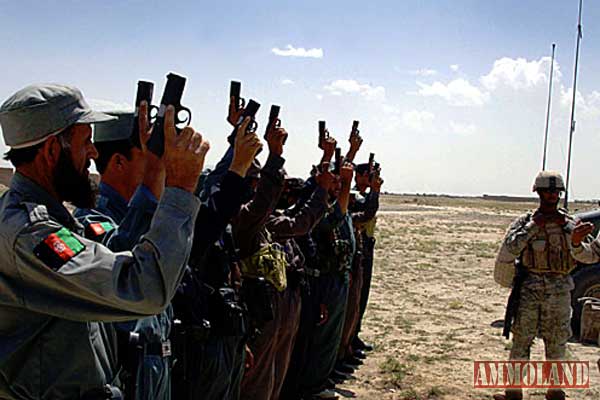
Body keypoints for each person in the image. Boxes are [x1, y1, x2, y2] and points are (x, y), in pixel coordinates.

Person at [0, 84, 207, 400]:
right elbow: (142, 287)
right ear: (52, 150)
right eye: (86, 142)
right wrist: (180, 190)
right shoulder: (30, 233)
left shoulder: (48, 220)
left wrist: (154, 165)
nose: (94, 153)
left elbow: (116, 252)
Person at [74, 110, 172, 400]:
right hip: (128, 374)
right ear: (118, 162)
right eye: (150, 157)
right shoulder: (92, 218)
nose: (159, 165)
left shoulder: (145, 213)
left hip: (156, 366)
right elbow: (121, 261)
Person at [494, 170, 597, 400]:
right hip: (529, 289)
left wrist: (577, 243)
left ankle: (554, 390)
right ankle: (513, 391)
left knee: (557, 342)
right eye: (547, 192)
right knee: (521, 341)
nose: (552, 196)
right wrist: (534, 227)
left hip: (560, 290)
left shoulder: (571, 225)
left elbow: (589, 257)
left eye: (556, 192)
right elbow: (510, 249)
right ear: (538, 193)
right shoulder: (524, 223)